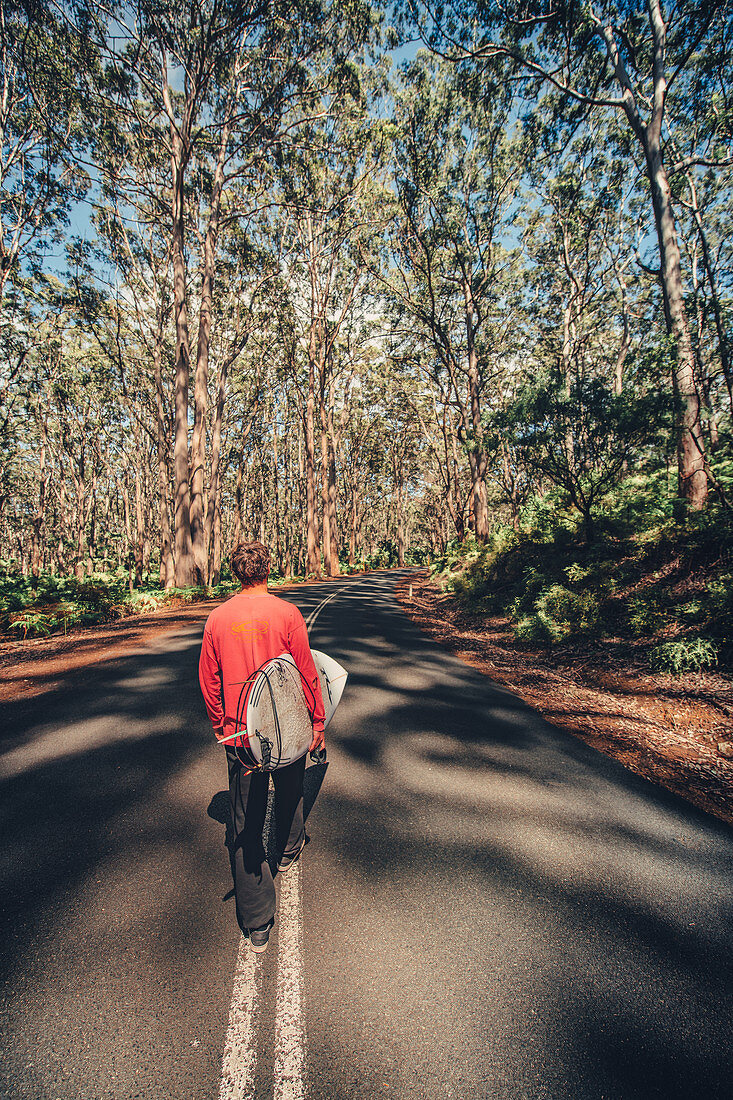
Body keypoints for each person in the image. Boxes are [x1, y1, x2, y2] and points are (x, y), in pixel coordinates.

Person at [198, 540, 325, 952]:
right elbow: (306, 671)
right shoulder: (286, 613)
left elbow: (209, 680)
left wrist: (224, 727)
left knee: (246, 823)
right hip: (286, 727)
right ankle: (288, 849)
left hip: (242, 736)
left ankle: (257, 922)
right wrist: (317, 721)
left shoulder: (217, 619)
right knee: (289, 786)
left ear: (236, 573)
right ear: (268, 570)